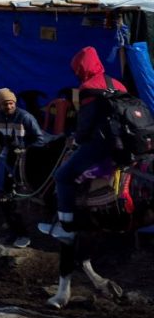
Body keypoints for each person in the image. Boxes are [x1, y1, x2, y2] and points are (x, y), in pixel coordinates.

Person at [40, 46, 127, 243]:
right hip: (123, 145)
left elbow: (85, 123)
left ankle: (66, 227)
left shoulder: (88, 88)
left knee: (63, 176)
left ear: (81, 68)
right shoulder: (118, 84)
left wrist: (77, 139)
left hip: (101, 145)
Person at [0, 88, 49, 248]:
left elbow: (40, 140)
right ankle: (13, 229)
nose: (8, 107)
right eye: (4, 104)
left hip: (23, 159)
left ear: (14, 102)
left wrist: (24, 149)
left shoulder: (25, 117)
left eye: (10, 103)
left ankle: (24, 232)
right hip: (4, 159)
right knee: (0, 195)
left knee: (15, 197)